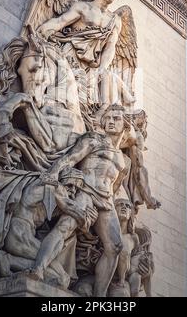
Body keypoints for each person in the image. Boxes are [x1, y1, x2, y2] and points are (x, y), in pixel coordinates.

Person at [30, 105, 130, 297]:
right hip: (86, 190)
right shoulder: (94, 139)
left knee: (116, 247)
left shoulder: (121, 159)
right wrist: (52, 173)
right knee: (64, 227)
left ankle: (99, 297)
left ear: (125, 125)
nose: (110, 121)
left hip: (106, 200)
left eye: (116, 118)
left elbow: (115, 186)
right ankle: (38, 269)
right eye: (107, 118)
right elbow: (71, 158)